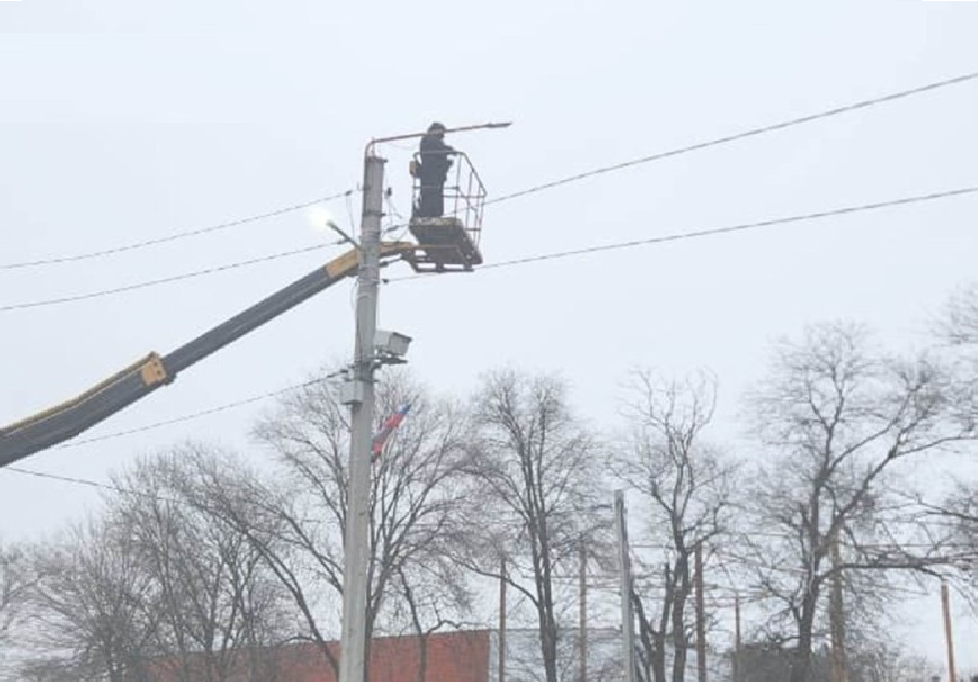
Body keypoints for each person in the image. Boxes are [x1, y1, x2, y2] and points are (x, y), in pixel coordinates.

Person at [415, 122, 454, 218]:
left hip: (435, 176)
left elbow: (438, 156)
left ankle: (435, 213)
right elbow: (438, 149)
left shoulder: (431, 141)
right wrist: (449, 150)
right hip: (430, 176)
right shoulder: (428, 140)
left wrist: (446, 163)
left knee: (435, 197)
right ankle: (428, 213)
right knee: (430, 197)